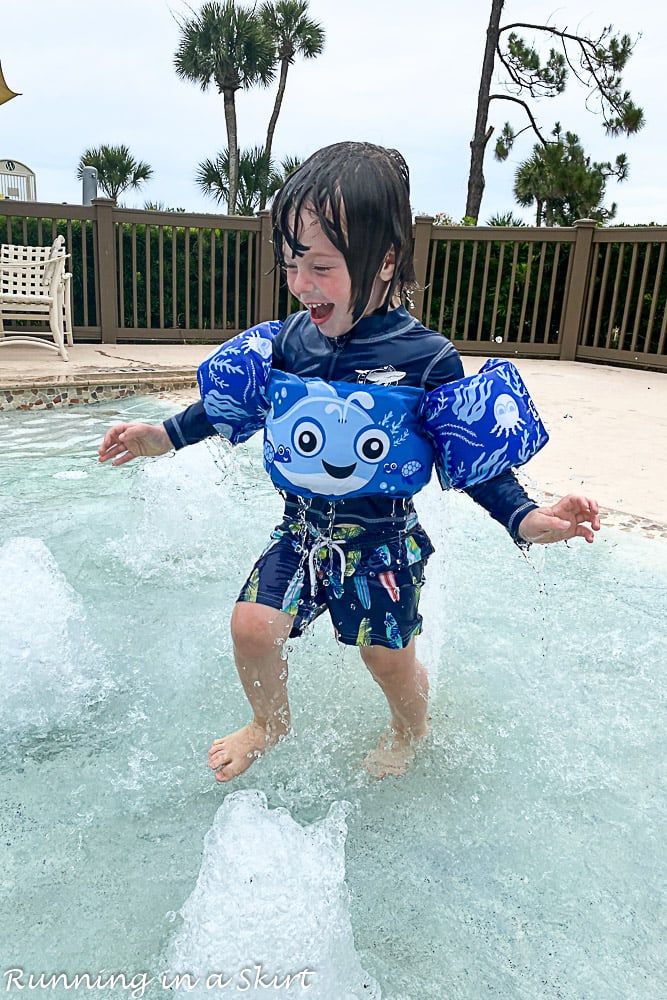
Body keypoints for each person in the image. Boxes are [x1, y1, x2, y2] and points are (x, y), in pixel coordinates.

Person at [98, 141, 600, 782]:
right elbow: (224, 409)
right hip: (302, 528)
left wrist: (527, 517)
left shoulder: (427, 359)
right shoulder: (284, 345)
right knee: (251, 626)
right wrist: (160, 436)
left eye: (322, 267)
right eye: (291, 264)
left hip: (382, 540)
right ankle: (269, 723)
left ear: (385, 262)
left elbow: (474, 461)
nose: (302, 284)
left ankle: (410, 727)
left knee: (386, 659)